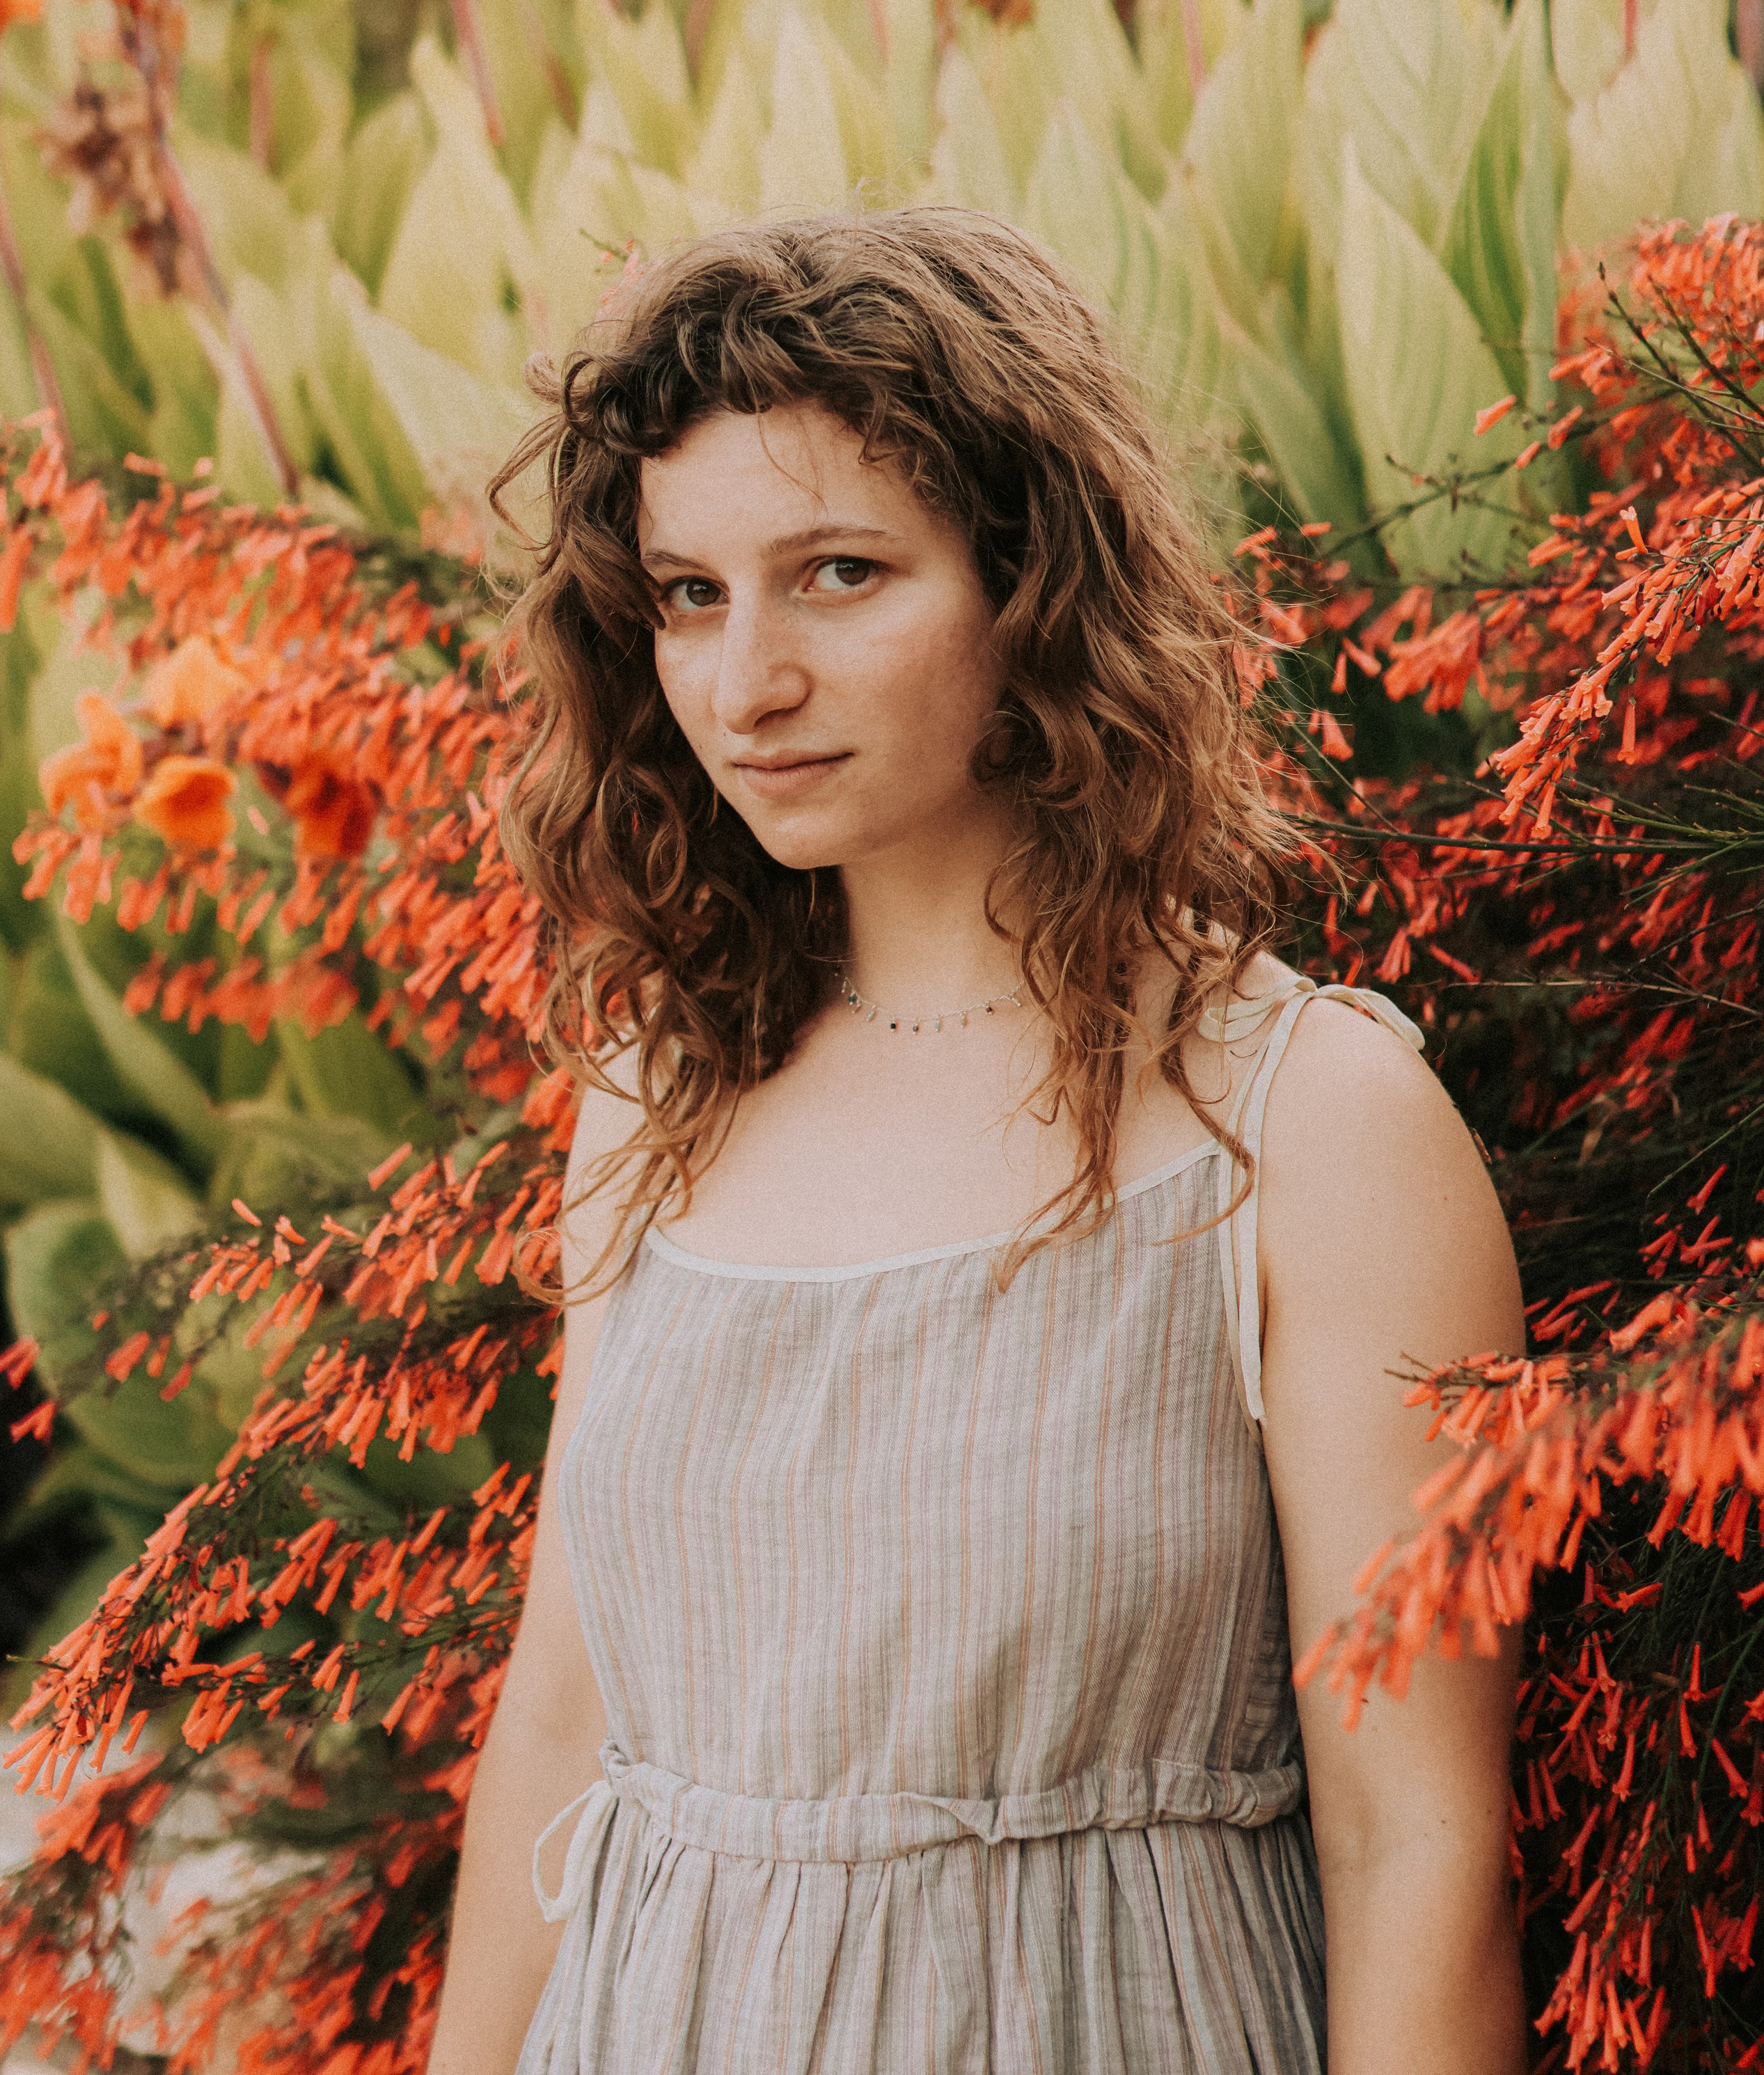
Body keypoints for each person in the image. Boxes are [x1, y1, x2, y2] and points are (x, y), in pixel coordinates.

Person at [424, 207, 1527, 2075]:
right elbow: (562, 1722)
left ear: (1033, 587)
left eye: (839, 574)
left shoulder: (1310, 1120)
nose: (745, 683)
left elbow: (1418, 1844)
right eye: (688, 594)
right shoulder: (657, 1092)